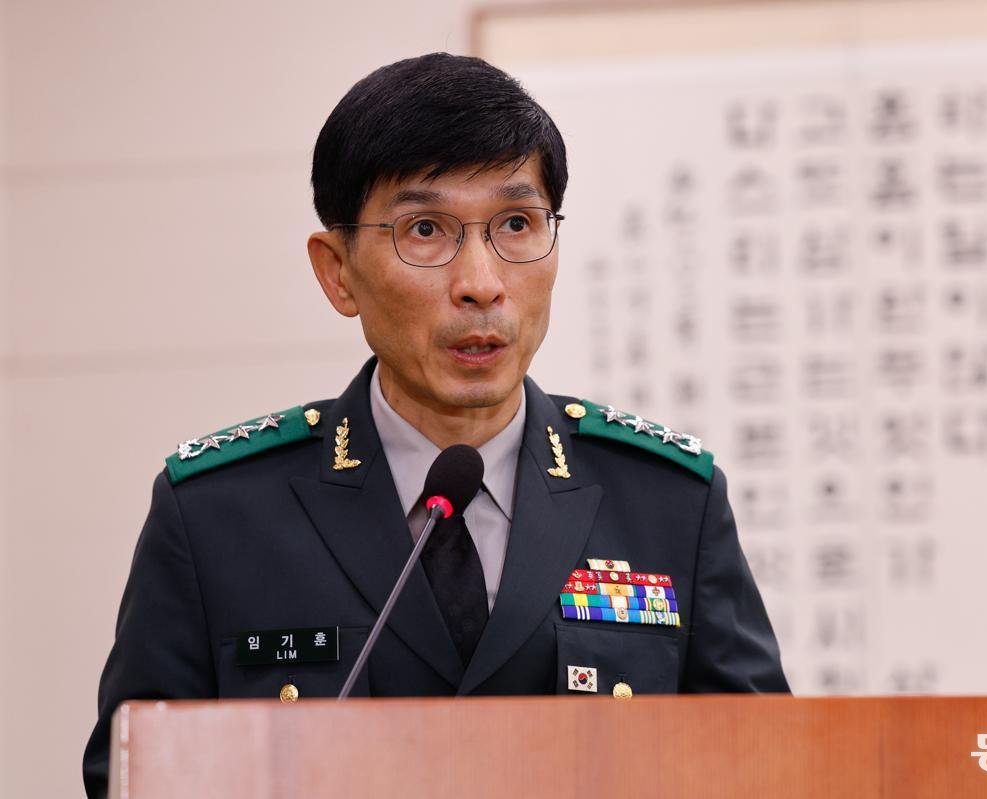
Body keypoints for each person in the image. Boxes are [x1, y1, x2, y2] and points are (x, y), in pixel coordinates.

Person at [83, 52, 788, 797]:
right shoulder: (216, 518)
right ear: (337, 271)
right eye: (425, 229)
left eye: (516, 223)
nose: (481, 284)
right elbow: (135, 779)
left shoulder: (669, 504)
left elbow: (769, 768)